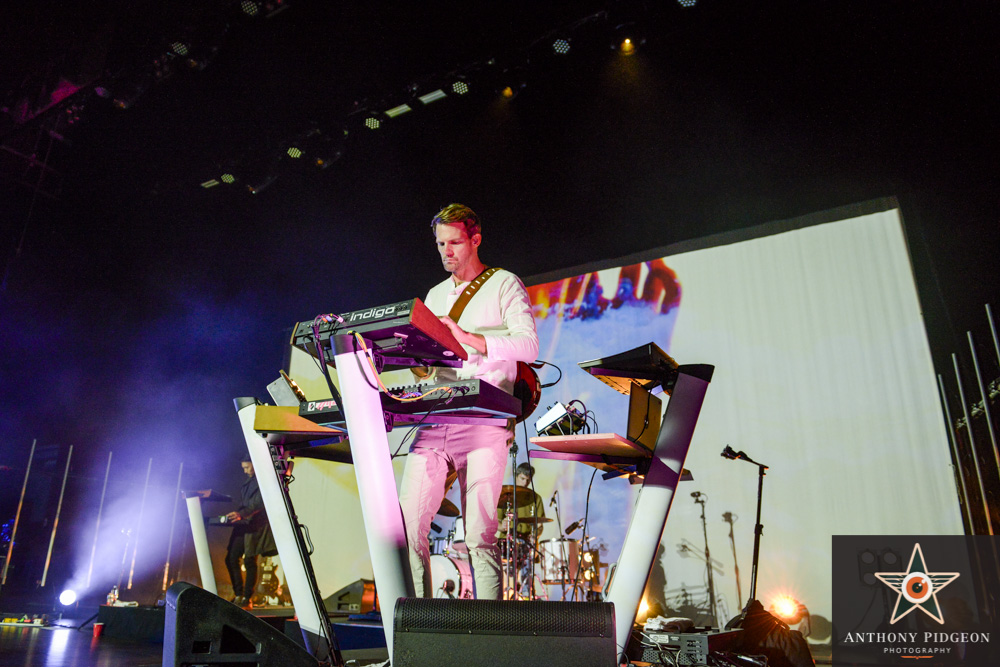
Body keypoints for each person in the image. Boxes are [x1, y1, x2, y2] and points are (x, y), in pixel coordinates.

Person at [398, 203, 539, 599]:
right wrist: (417, 361)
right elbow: (428, 364)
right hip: (438, 414)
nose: (446, 251)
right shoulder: (435, 294)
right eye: (440, 244)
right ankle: (419, 623)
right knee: (407, 525)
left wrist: (467, 337)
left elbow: (528, 345)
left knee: (479, 534)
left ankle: (492, 631)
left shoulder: (504, 283)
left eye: (455, 242)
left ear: (475, 239)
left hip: (485, 418)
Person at [225, 455, 277, 608]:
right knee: (231, 558)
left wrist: (242, 513)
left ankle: (247, 597)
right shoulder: (249, 481)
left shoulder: (263, 479)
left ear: (255, 464)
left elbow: (259, 502)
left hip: (255, 524)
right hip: (243, 522)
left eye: (247, 467)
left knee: (249, 560)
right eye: (244, 468)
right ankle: (239, 594)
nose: (245, 471)